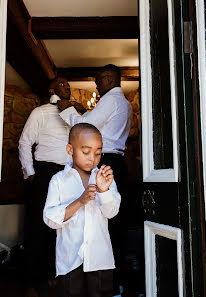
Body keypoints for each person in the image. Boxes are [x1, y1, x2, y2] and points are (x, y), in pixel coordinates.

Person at [57, 64, 132, 296]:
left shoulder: (111, 100)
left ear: (110, 78)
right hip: (116, 160)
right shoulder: (125, 103)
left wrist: (67, 109)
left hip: (106, 160)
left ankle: (100, 279)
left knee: (101, 219)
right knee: (113, 221)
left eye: (99, 80)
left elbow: (86, 126)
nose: (97, 85)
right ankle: (115, 281)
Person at [43, 123, 121, 297]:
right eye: (86, 152)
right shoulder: (58, 181)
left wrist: (104, 191)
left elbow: (112, 212)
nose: (92, 158)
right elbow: (50, 219)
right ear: (70, 149)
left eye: (98, 152)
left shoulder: (105, 178)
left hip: (100, 260)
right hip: (70, 262)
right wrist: (79, 201)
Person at [18, 77, 80, 297]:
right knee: (38, 226)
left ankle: (51, 273)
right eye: (62, 84)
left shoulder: (74, 115)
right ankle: (30, 281)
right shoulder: (40, 112)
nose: (67, 87)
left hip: (67, 174)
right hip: (44, 173)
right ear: (52, 89)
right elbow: (25, 142)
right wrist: (31, 173)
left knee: (62, 225)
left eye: (69, 85)